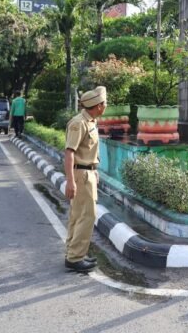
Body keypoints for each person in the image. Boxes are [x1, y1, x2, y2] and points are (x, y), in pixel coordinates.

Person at [63, 86, 106, 273]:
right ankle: (75, 257)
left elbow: (86, 151)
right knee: (86, 216)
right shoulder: (79, 123)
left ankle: (74, 253)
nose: (106, 106)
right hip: (80, 175)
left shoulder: (90, 122)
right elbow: (69, 153)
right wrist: (70, 181)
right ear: (98, 106)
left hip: (87, 172)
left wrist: (93, 169)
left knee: (78, 215)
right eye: (104, 103)